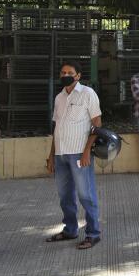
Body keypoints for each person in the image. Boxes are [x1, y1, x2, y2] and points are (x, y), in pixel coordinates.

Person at [45, 60, 102, 249]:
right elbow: (57, 128)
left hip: (79, 153)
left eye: (69, 72)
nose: (65, 75)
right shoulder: (59, 97)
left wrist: (87, 151)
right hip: (61, 154)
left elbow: (97, 124)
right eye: (62, 72)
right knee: (64, 195)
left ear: (78, 76)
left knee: (86, 194)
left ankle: (93, 233)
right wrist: (52, 155)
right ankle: (70, 229)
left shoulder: (87, 94)